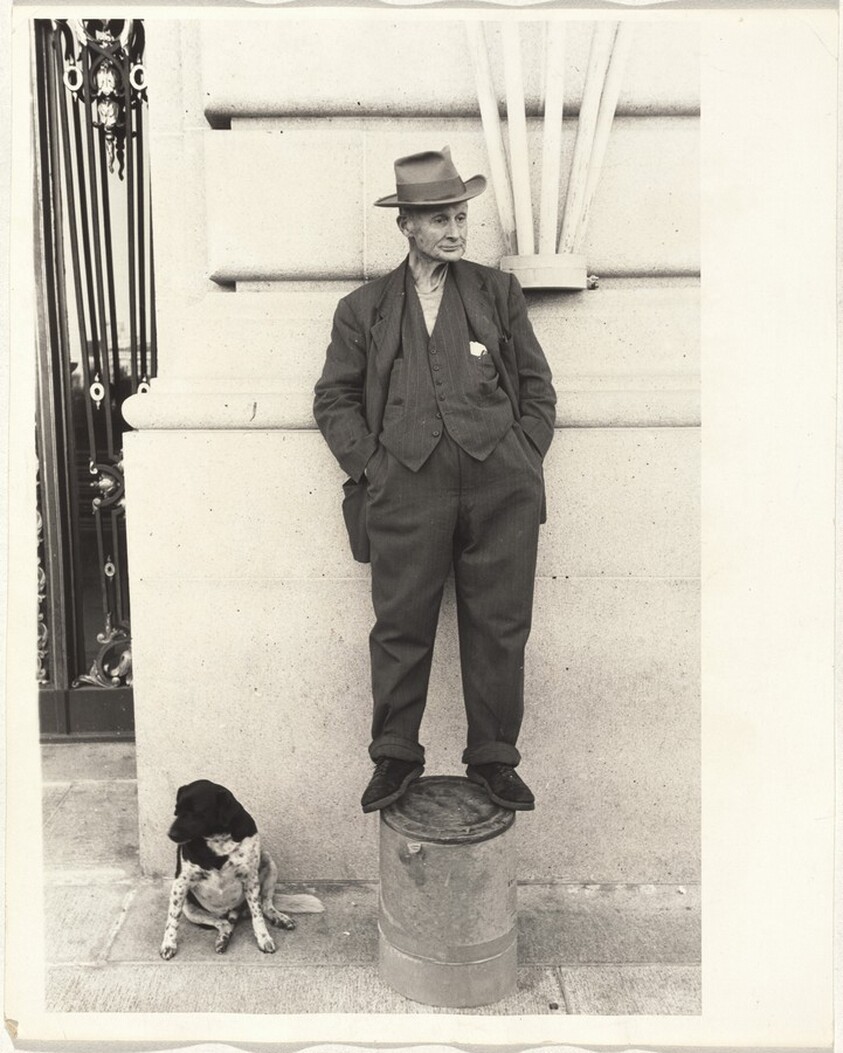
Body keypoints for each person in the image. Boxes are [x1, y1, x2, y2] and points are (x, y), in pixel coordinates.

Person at [313, 147, 556, 814]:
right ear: (407, 227)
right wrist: (372, 466)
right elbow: (332, 398)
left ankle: (493, 760)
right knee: (399, 627)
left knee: (499, 627)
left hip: (497, 485)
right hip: (405, 486)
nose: (456, 230)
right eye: (440, 219)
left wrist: (522, 454)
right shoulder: (362, 308)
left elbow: (536, 387)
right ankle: (394, 757)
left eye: (461, 216)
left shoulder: (495, 292)